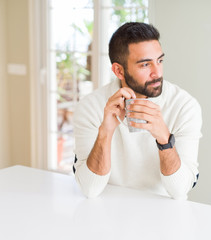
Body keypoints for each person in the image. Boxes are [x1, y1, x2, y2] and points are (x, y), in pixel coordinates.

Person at [73, 22, 202, 200]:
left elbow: (180, 190)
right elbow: (89, 189)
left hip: (163, 211)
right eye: (145, 65)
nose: (157, 72)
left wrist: (164, 139)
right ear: (119, 70)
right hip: (106, 212)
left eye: (160, 61)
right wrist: (106, 131)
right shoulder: (90, 107)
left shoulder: (184, 106)